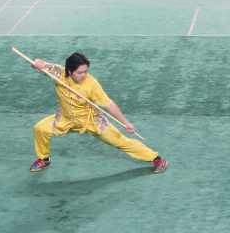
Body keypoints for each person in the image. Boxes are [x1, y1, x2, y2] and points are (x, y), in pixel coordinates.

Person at [29, 52, 168, 173]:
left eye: (85, 71)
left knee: (120, 141)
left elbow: (109, 104)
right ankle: (44, 159)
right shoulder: (58, 73)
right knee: (39, 129)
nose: (84, 75)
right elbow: (39, 64)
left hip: (91, 120)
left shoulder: (92, 84)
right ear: (69, 71)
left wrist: (126, 123)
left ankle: (156, 158)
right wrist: (37, 63)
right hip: (65, 118)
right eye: (80, 72)